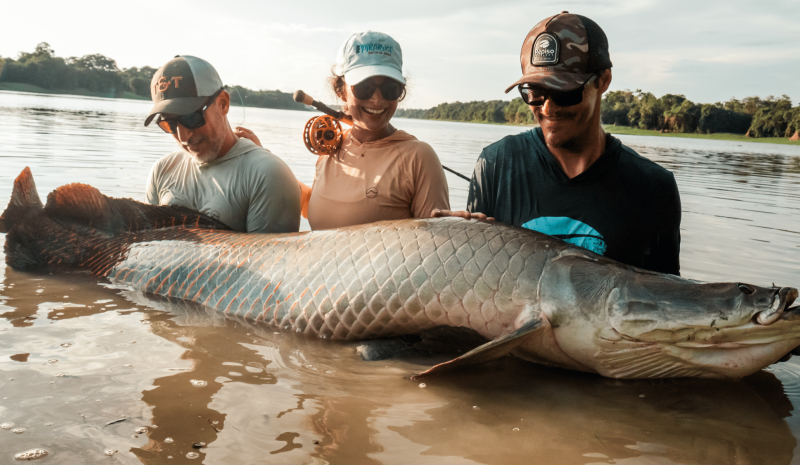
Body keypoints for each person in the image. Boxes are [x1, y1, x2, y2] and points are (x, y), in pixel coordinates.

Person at [435, 12, 681, 275]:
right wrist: (451, 247)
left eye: (565, 92)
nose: (548, 107)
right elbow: (478, 284)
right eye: (535, 93)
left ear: (603, 80)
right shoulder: (495, 165)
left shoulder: (653, 189)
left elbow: (667, 301)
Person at [237, 31, 450, 230]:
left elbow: (438, 246)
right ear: (341, 91)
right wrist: (265, 161)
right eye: (364, 87)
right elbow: (316, 207)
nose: (377, 99)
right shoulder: (330, 149)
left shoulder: (419, 157)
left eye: (390, 89)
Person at [144, 55, 300, 233]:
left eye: (190, 117)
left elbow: (269, 260)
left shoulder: (267, 174)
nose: (183, 136)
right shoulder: (162, 171)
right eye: (169, 124)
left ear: (223, 103)